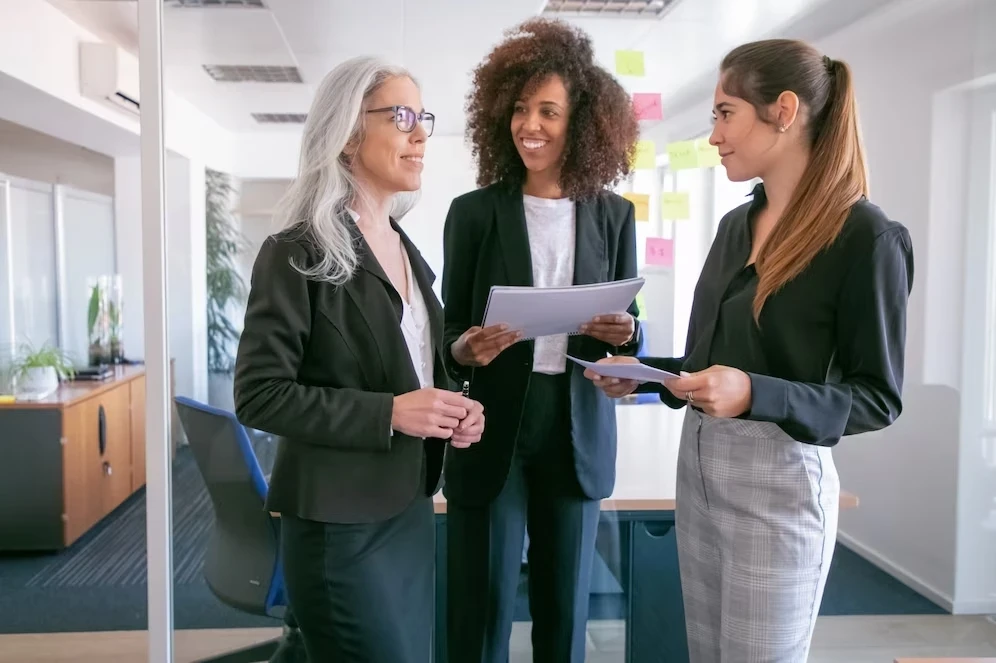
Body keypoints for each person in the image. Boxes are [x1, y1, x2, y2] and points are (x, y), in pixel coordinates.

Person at [586, 39, 914, 661]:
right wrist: (646, 375)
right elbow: (711, 360)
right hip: (699, 470)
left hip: (780, 487)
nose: (713, 135)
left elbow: (877, 399)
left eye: (725, 113)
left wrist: (754, 393)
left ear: (784, 111)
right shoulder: (735, 226)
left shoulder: (866, 238)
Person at [233, 56, 484, 663]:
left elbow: (415, 368)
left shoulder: (404, 247)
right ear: (348, 133)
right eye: (401, 117)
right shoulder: (297, 251)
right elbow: (259, 394)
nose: (420, 133)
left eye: (422, 117)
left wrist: (456, 406)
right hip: (339, 524)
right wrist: (390, 414)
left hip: (408, 505)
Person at [440, 18, 641, 663]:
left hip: (574, 422)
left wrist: (628, 335)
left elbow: (629, 322)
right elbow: (448, 331)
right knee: (483, 608)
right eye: (520, 109)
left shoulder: (613, 215)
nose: (531, 124)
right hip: (493, 419)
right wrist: (463, 349)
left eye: (549, 111)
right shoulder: (473, 214)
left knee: (564, 609)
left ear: (580, 121)